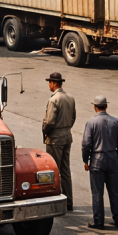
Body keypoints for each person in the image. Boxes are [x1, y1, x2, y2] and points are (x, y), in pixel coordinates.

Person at [81, 95, 118, 230]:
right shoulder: (116, 121)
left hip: (97, 160)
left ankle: (98, 221)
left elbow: (86, 144)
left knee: (97, 193)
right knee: (114, 192)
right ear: (106, 106)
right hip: (112, 159)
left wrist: (86, 160)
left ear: (94, 107)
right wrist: (117, 157)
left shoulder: (91, 123)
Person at [42, 72, 76, 211]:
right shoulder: (70, 98)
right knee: (65, 170)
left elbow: (50, 121)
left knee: (53, 169)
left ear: (54, 83)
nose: (49, 85)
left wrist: (45, 130)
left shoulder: (54, 99)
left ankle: (54, 200)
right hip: (67, 135)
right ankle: (69, 201)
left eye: (49, 82)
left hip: (55, 137)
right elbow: (73, 118)